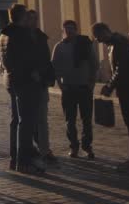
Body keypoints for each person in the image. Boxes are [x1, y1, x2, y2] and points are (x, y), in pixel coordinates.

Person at [93, 22, 129, 172]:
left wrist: (109, 86)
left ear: (104, 32)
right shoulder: (115, 43)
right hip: (127, 86)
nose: (98, 41)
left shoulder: (120, 44)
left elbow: (121, 68)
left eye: (98, 37)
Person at [3, 4, 46, 174]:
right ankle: (24, 161)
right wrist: (34, 73)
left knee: (18, 121)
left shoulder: (5, 34)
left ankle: (16, 159)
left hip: (14, 81)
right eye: (27, 16)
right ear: (22, 17)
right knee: (26, 122)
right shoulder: (21, 35)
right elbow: (26, 59)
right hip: (26, 83)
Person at [52, 20, 97, 159]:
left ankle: (87, 146)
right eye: (66, 29)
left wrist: (92, 82)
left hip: (84, 87)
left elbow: (94, 63)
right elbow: (55, 67)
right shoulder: (59, 47)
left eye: (71, 28)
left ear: (76, 30)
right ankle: (74, 146)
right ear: (63, 31)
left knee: (87, 120)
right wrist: (61, 85)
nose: (69, 31)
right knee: (70, 120)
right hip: (68, 87)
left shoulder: (85, 44)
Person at [27, 10, 57, 164]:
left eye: (35, 18)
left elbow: (46, 59)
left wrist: (43, 74)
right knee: (28, 120)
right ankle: (30, 147)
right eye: (30, 18)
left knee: (42, 119)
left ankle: (45, 149)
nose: (34, 21)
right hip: (26, 84)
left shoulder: (41, 37)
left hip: (41, 82)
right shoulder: (20, 38)